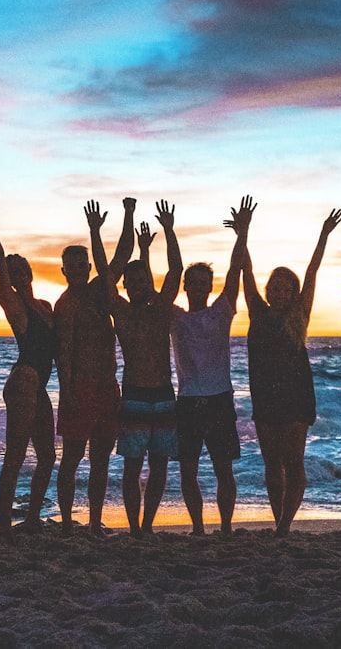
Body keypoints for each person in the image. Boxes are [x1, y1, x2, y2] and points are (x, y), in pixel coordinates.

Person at [241, 208, 341, 537]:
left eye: (286, 289)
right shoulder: (257, 311)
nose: (279, 293)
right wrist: (243, 233)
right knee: (272, 464)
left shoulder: (300, 313)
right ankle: (279, 520)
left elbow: (312, 271)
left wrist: (323, 235)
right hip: (265, 396)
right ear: (268, 290)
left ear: (293, 292)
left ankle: (284, 526)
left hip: (296, 398)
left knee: (293, 462)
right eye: (275, 288)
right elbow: (246, 271)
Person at [0, 187, 56, 544]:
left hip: (40, 386)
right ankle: (4, 524)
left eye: (21, 269)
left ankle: (31, 518)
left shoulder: (46, 307)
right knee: (16, 456)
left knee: (47, 455)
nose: (16, 274)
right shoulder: (14, 306)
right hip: (22, 382)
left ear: (31, 272)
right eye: (11, 271)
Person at [96, 201, 182, 537]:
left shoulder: (162, 307)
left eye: (141, 279)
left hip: (162, 394)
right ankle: (133, 527)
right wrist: (95, 232)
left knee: (159, 465)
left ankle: (147, 525)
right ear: (126, 286)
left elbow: (175, 270)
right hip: (132, 395)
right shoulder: (120, 309)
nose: (136, 285)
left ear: (149, 281)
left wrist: (170, 231)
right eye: (130, 281)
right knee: (131, 466)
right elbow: (105, 275)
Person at [170, 195, 254, 536]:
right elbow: (167, 276)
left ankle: (226, 527)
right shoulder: (174, 316)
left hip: (220, 399)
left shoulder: (222, 309)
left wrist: (242, 233)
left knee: (223, 470)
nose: (199, 287)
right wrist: (168, 233)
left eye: (205, 283)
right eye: (194, 283)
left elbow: (235, 270)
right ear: (186, 286)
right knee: (188, 471)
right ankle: (198, 529)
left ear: (210, 287)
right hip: (188, 402)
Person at [55, 197, 134, 537]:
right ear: (63, 271)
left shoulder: (100, 292)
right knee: (72, 458)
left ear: (87, 267)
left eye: (80, 265)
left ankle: (94, 522)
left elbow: (122, 256)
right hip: (79, 389)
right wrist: (68, 391)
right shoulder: (65, 304)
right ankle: (68, 524)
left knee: (101, 459)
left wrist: (128, 214)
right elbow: (64, 352)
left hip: (107, 388)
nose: (75, 271)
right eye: (69, 267)